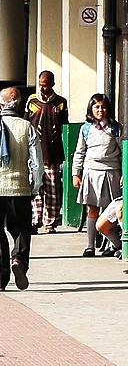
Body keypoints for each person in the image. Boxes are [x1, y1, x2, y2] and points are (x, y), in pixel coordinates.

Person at [0, 86, 44, 291]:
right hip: (20, 189)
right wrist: (35, 186)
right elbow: (37, 162)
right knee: (21, 229)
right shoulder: (27, 127)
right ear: (20, 105)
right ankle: (19, 260)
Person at [71, 93, 122, 257]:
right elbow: (79, 152)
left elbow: (122, 152)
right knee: (92, 210)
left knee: (111, 211)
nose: (100, 110)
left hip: (112, 173)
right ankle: (90, 246)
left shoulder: (115, 128)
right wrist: (75, 173)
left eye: (103, 107)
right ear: (91, 109)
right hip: (91, 172)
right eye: (97, 107)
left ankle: (114, 244)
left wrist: (123, 174)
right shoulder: (86, 128)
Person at [26, 70, 69, 232]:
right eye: (40, 85)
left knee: (52, 189)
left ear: (52, 84)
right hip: (34, 153)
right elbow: (26, 122)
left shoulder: (60, 103)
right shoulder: (31, 101)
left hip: (53, 153)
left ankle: (50, 222)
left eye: (45, 85)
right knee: (35, 188)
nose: (42, 89)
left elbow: (64, 126)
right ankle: (35, 220)